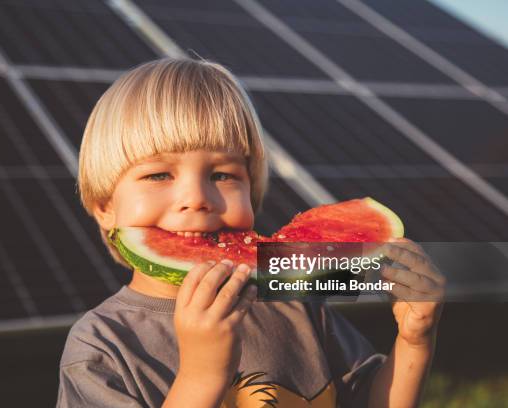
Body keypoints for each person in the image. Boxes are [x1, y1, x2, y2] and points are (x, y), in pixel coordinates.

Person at [56, 57, 445, 407]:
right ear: (105, 207)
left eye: (223, 174)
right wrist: (203, 374)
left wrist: (413, 343)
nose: (197, 198)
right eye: (159, 174)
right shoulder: (101, 345)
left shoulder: (294, 302)